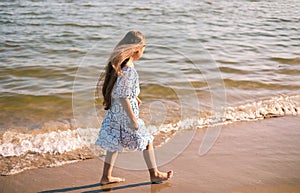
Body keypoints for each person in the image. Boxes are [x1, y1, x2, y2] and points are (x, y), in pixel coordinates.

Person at [95, 30, 173, 185]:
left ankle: (106, 176)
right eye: (143, 49)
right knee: (147, 141)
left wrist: (134, 97)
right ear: (137, 49)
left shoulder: (121, 64)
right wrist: (132, 120)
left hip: (116, 112)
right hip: (125, 114)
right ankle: (155, 174)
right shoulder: (128, 69)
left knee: (114, 143)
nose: (142, 53)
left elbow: (120, 90)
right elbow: (123, 96)